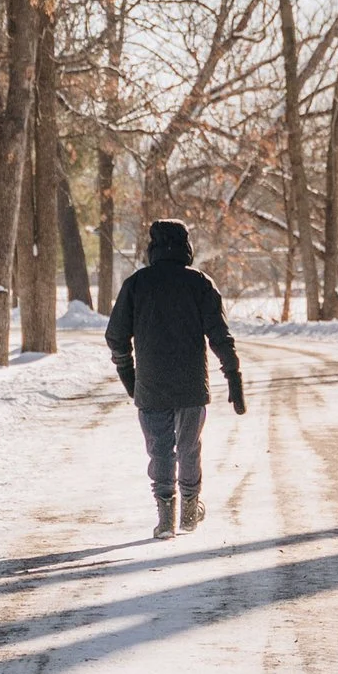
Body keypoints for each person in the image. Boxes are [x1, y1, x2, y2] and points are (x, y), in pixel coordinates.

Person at [105, 218, 244, 537]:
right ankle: (190, 510)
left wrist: (130, 375)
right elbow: (220, 335)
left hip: (151, 386)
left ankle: (166, 515)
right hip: (192, 385)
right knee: (189, 447)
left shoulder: (137, 284)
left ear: (152, 247)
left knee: (159, 449)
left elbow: (116, 336)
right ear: (186, 246)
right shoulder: (200, 283)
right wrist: (232, 373)